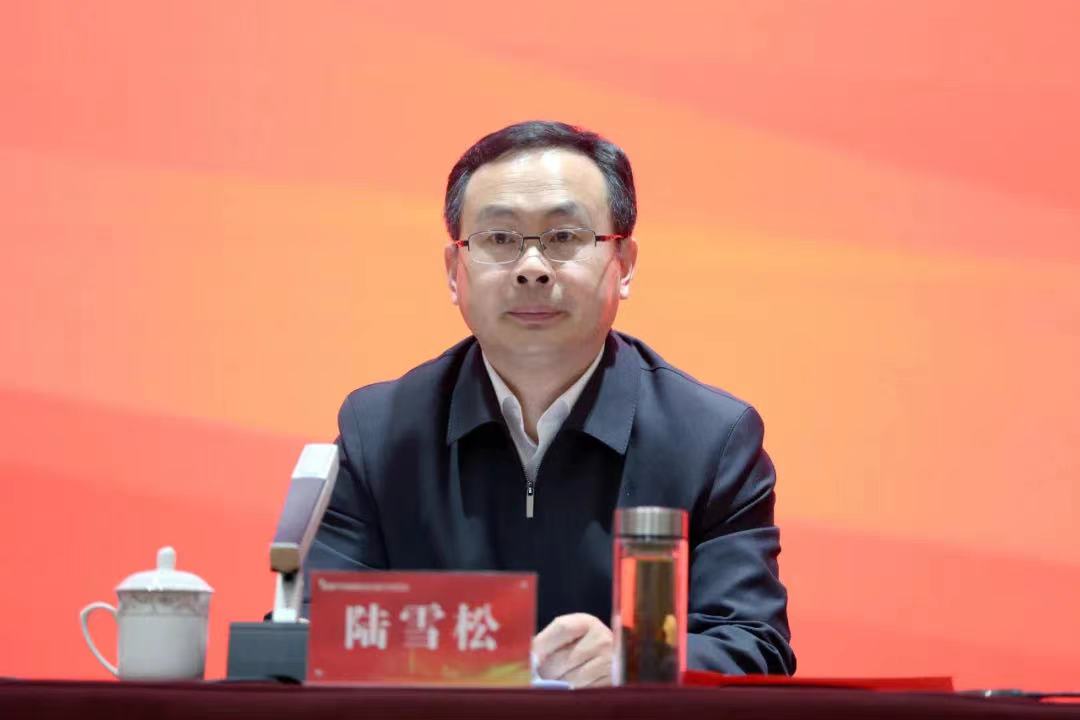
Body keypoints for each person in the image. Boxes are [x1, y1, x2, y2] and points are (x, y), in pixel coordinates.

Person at [306, 120, 795, 686]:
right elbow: (311, 635)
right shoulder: (379, 434)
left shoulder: (711, 441)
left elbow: (754, 645)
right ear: (454, 271)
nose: (532, 268)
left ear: (624, 263)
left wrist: (637, 660)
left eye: (564, 237)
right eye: (499, 239)